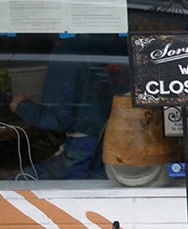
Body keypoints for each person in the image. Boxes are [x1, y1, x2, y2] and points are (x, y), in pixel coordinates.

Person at [9, 33, 128, 179]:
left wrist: (22, 106)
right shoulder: (128, 47)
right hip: (127, 143)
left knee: (18, 182)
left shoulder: (69, 50)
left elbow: (57, 118)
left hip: (86, 148)